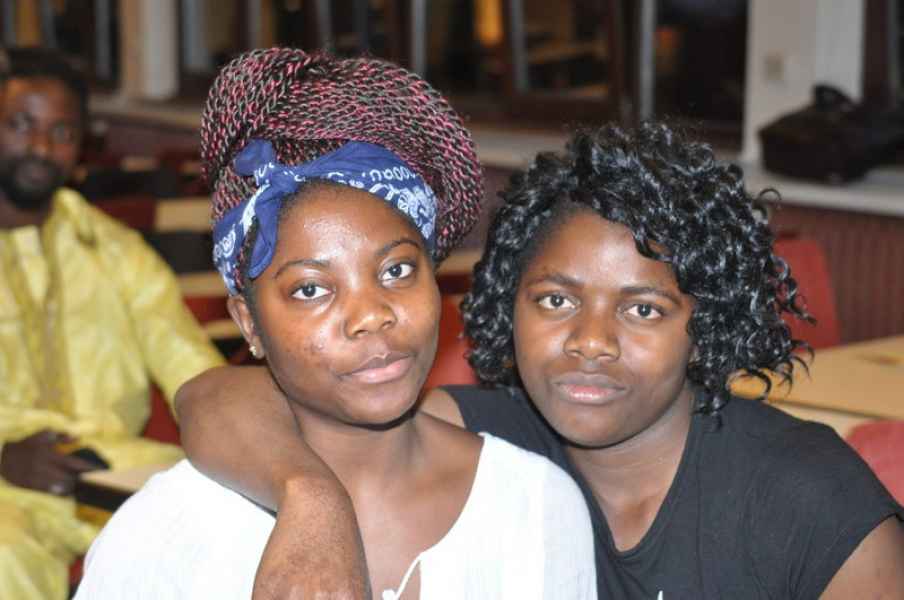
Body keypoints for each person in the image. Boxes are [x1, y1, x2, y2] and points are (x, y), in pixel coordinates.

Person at [174, 121, 904, 599]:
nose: (591, 341)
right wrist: (310, 496)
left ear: (703, 324)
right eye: (555, 300)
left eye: (643, 309)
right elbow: (215, 396)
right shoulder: (500, 440)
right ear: (507, 304)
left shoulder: (804, 497)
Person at [74, 48, 596, 600]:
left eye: (396, 270)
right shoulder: (165, 535)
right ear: (249, 325)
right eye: (311, 289)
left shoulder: (533, 506)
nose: (371, 314)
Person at [0, 47, 224, 599]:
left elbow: (193, 371)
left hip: (111, 470)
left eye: (61, 132)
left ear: (81, 146)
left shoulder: (115, 251)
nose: (40, 148)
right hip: (6, 491)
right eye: (20, 125)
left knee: (227, 516)